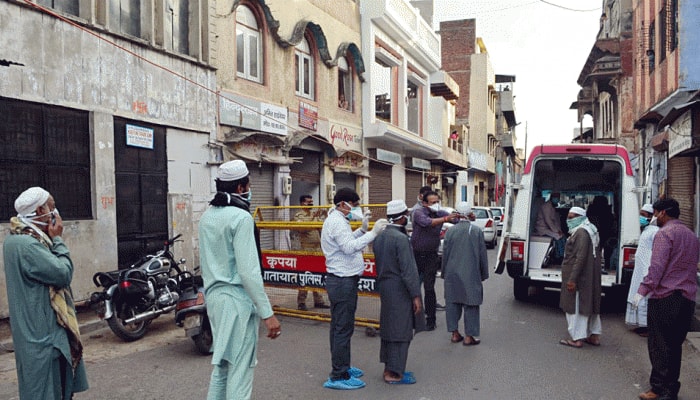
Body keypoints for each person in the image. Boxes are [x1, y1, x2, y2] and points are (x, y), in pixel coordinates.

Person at [199, 160, 281, 400]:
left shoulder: (207, 216)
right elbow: (249, 272)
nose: (249, 189)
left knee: (223, 366)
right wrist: (268, 314)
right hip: (236, 302)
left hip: (215, 300)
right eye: (249, 185)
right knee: (241, 369)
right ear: (240, 188)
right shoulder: (241, 218)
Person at [3, 187, 89, 399]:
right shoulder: (28, 245)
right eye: (52, 207)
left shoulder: (15, 240)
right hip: (44, 337)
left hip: (33, 335)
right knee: (49, 391)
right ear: (41, 209)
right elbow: (62, 273)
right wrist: (58, 239)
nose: (55, 212)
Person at [321, 187, 389, 390]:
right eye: (355, 204)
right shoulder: (336, 222)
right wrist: (374, 233)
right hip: (342, 281)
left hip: (341, 280)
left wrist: (363, 229)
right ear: (343, 204)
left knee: (339, 327)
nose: (357, 208)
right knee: (342, 328)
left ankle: (343, 366)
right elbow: (350, 247)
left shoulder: (339, 220)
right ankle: (338, 375)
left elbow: (348, 241)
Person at [635, 198, 699, 400]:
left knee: (659, 345)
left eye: (655, 213)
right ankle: (671, 389)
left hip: (665, 297)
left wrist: (642, 290)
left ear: (663, 213)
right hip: (687, 298)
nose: (654, 217)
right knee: (674, 345)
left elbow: (656, 268)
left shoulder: (665, 234)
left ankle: (658, 389)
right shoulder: (691, 235)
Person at [373, 200, 424, 384]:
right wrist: (416, 295)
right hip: (400, 289)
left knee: (389, 327)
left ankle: (389, 366)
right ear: (402, 218)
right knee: (401, 330)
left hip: (386, 288)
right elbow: (408, 270)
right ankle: (394, 373)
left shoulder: (380, 236)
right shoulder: (401, 239)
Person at [442, 202, 489, 346]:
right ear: (470, 213)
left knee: (452, 303)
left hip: (452, 273)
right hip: (471, 273)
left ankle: (454, 334)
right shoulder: (476, 231)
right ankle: (469, 336)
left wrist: (444, 272)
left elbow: (445, 255)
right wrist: (483, 274)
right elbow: (482, 255)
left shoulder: (450, 231)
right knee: (472, 303)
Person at [410, 190, 457, 331]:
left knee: (429, 288)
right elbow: (427, 223)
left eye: (437, 202)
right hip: (416, 255)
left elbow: (455, 219)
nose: (436, 205)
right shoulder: (419, 213)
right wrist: (445, 220)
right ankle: (412, 318)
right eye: (433, 202)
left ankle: (431, 319)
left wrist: (465, 216)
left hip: (431, 255)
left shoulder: (440, 213)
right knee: (413, 287)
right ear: (424, 203)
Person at [558, 206, 602, 348]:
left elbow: (580, 258)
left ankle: (577, 338)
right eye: (568, 217)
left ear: (581, 218)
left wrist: (572, 279)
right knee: (590, 305)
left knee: (575, 307)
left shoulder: (582, 233)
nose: (568, 220)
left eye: (572, 217)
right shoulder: (590, 230)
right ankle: (593, 335)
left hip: (579, 278)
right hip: (588, 276)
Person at [625, 204, 659, 337]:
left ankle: (648, 328)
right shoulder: (646, 230)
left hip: (647, 271)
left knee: (645, 299)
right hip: (639, 271)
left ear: (651, 216)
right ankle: (641, 325)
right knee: (637, 296)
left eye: (644, 215)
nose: (641, 218)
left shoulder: (655, 231)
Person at [294, 194, 329, 310]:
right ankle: (301, 302)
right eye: (308, 202)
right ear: (302, 203)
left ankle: (318, 300)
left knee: (317, 274)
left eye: (311, 202)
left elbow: (321, 228)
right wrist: (313, 218)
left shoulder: (314, 215)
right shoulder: (299, 215)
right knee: (305, 275)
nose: (311, 204)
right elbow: (302, 228)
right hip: (306, 250)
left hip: (317, 249)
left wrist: (325, 216)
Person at [534, 191, 566, 264]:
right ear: (552, 197)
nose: (557, 199)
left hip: (549, 228)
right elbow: (548, 220)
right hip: (542, 229)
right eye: (556, 197)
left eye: (558, 197)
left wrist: (559, 230)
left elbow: (555, 221)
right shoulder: (546, 206)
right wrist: (556, 231)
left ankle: (563, 256)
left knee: (562, 237)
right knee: (558, 237)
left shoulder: (552, 206)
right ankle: (558, 257)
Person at [586, 195, 615, 272]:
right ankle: (607, 266)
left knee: (594, 251)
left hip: (595, 232)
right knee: (605, 253)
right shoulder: (607, 211)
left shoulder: (592, 210)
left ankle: (593, 266)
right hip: (604, 233)